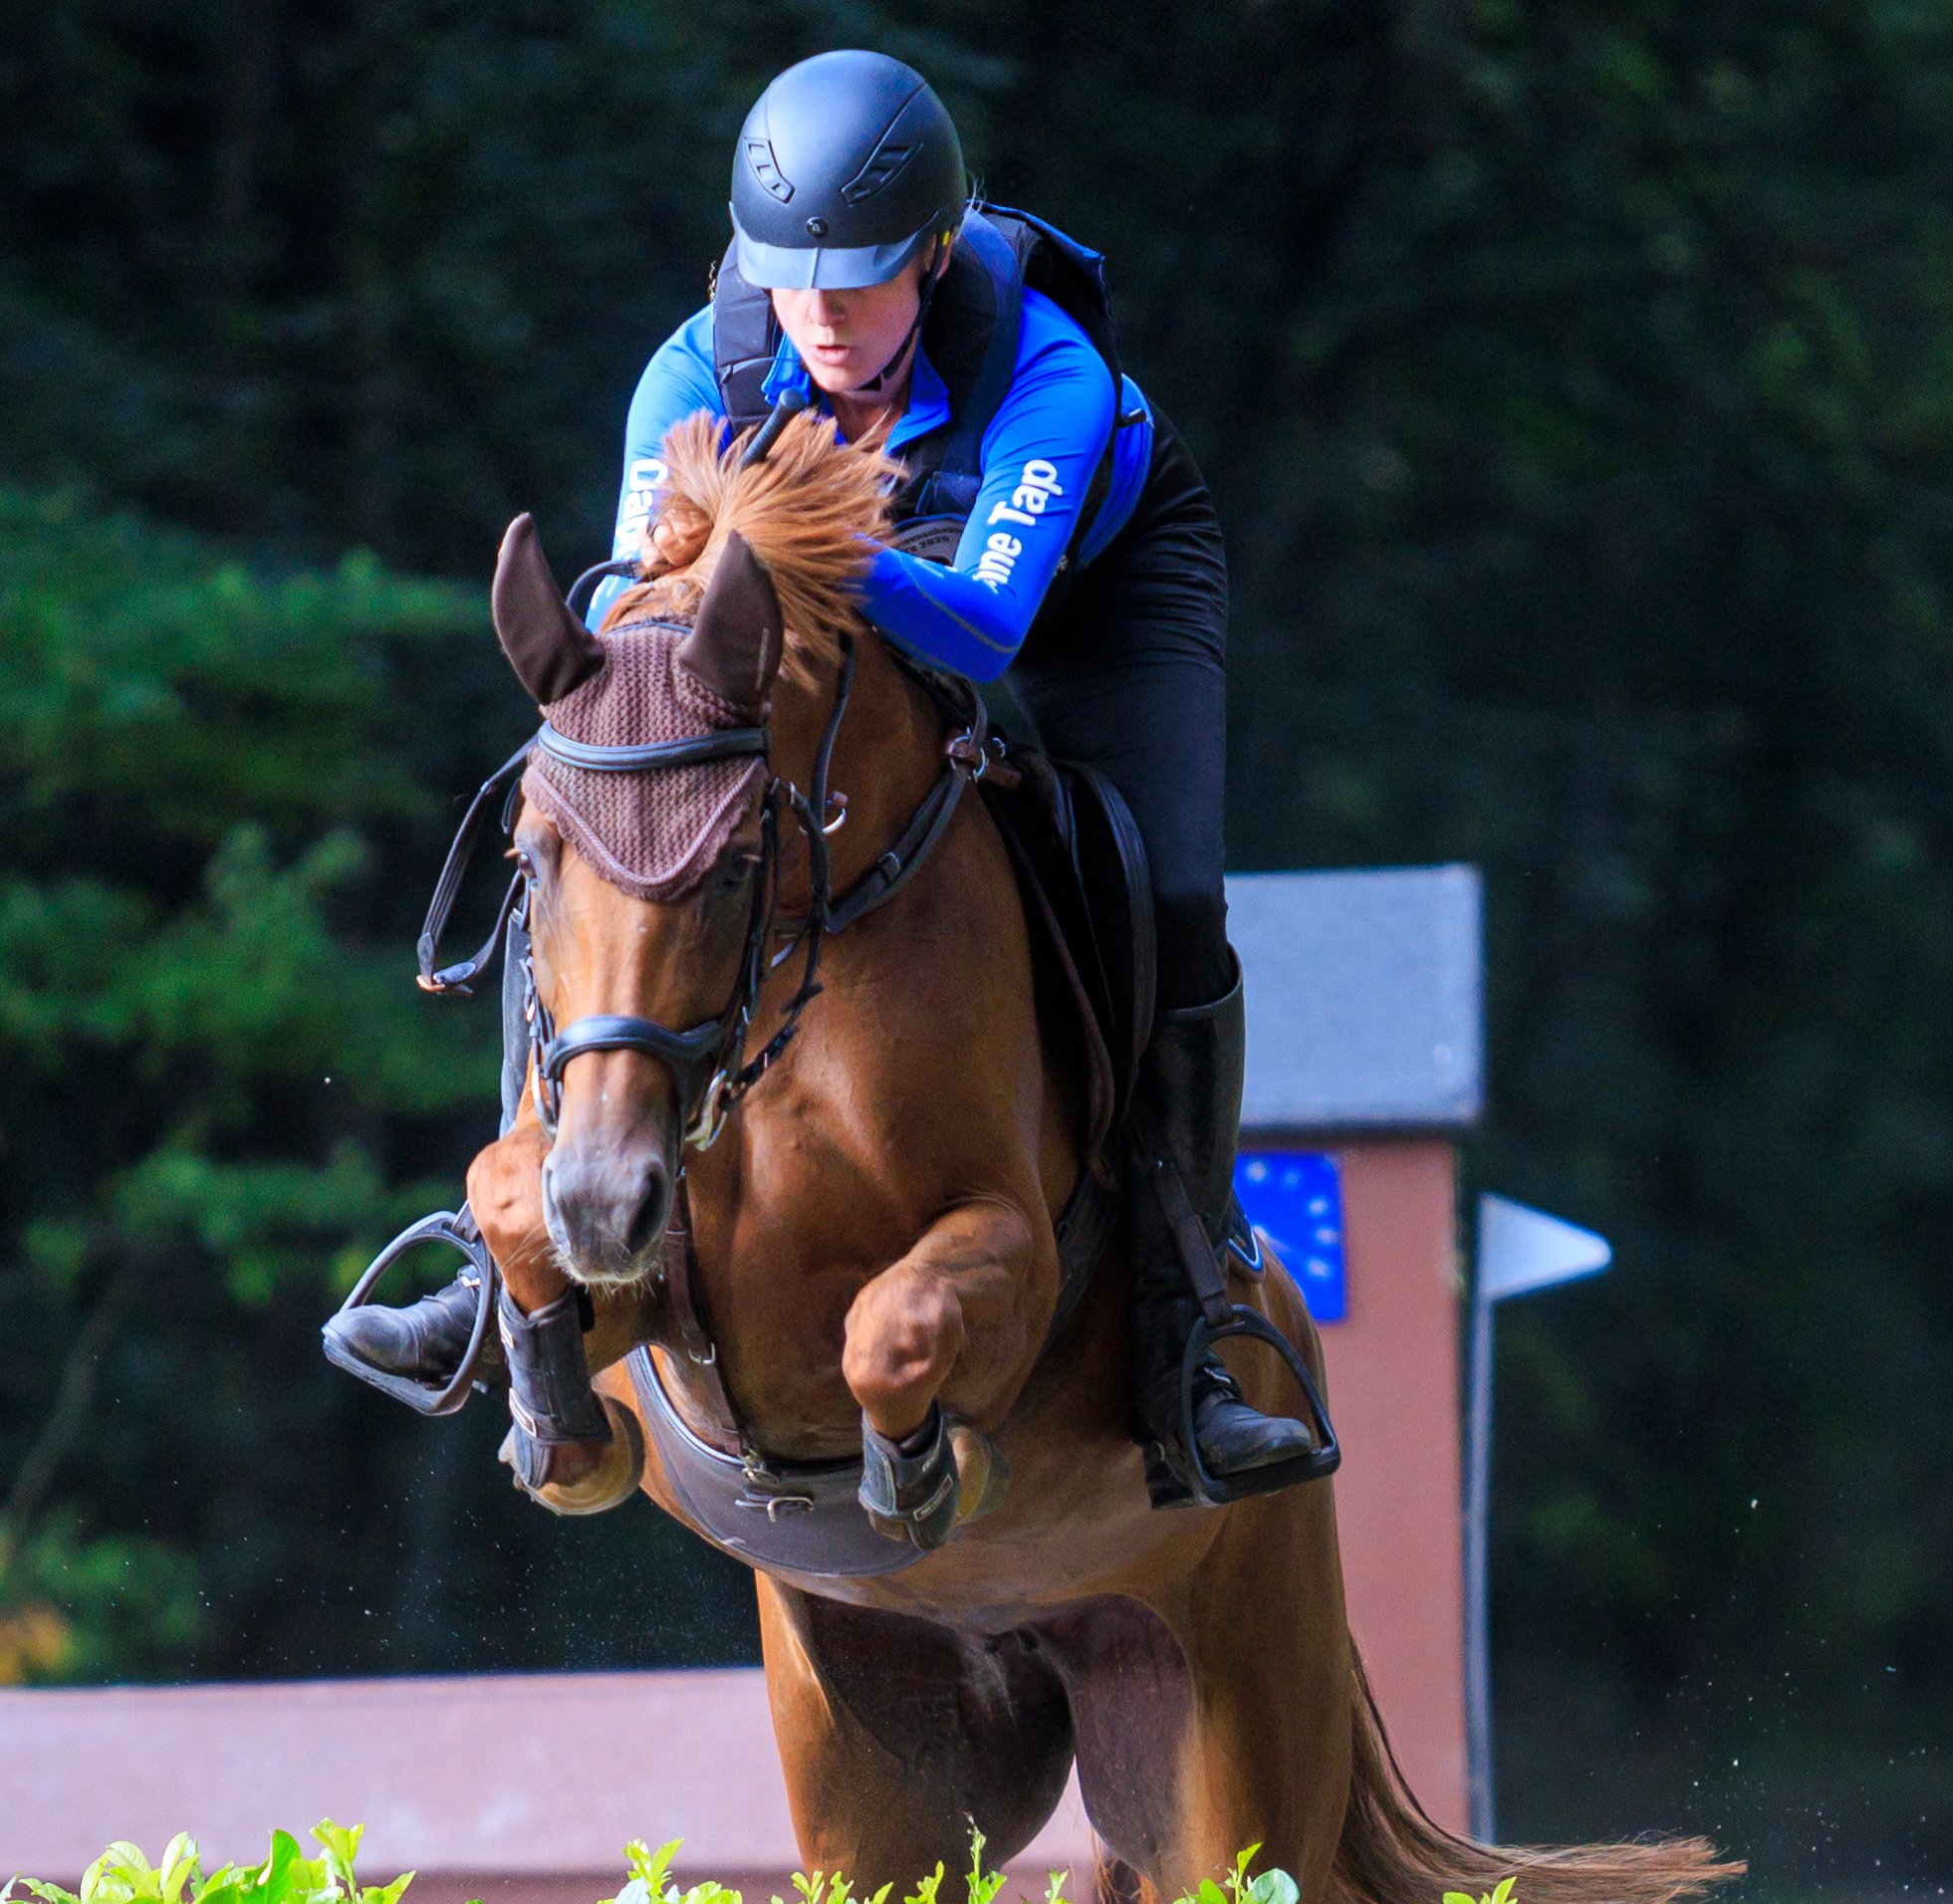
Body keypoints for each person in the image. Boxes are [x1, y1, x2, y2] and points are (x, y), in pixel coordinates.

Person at [325, 49, 1315, 1502]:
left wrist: (796, 529)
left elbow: (983, 622)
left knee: (1167, 889)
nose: (825, 318)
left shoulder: (1045, 372)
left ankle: (1187, 1310)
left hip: (1087, 599)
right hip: (831, 597)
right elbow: (626, 621)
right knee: (599, 816)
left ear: (931, 255)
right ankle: (499, 1252)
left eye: (858, 284)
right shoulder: (698, 366)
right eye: (794, 282)